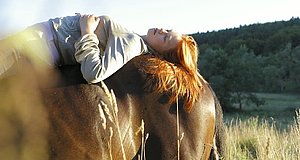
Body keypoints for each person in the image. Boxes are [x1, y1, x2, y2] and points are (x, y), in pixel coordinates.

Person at [0, 14, 199, 86]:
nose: (161, 30)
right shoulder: (134, 38)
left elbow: (94, 73)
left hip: (40, 44)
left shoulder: (132, 43)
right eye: (167, 29)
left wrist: (87, 31)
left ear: (161, 54)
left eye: (165, 37)